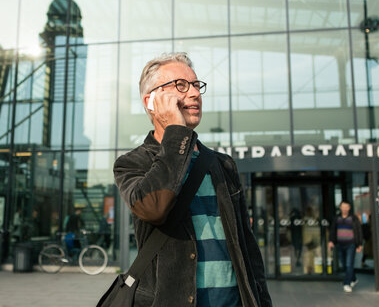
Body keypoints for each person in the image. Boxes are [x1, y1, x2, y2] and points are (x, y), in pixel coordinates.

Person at [113, 52, 272, 306]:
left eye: (197, 85)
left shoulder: (223, 165)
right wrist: (176, 134)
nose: (195, 93)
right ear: (151, 101)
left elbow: (248, 250)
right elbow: (153, 208)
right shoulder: (132, 163)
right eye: (181, 85)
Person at [328, 201, 363, 293]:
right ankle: (354, 279)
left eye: (346, 207)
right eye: (343, 207)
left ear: (349, 208)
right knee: (344, 264)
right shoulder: (337, 218)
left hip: (350, 245)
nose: (345, 209)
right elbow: (333, 230)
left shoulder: (353, 218)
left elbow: (359, 231)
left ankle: (347, 283)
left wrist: (359, 244)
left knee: (349, 264)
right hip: (340, 244)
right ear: (340, 208)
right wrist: (331, 241)